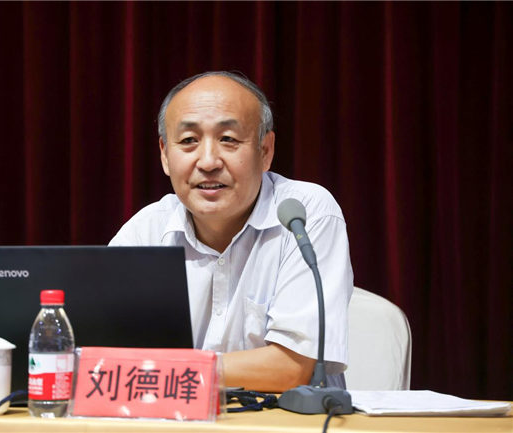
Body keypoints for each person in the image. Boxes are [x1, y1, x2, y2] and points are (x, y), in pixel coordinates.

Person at [109, 71, 354, 392]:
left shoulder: (304, 214)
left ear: (265, 151)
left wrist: (160, 369)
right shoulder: (146, 231)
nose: (209, 161)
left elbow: (291, 368)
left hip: (284, 417)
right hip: (181, 417)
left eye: (228, 139)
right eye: (188, 141)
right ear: (165, 155)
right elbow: (101, 355)